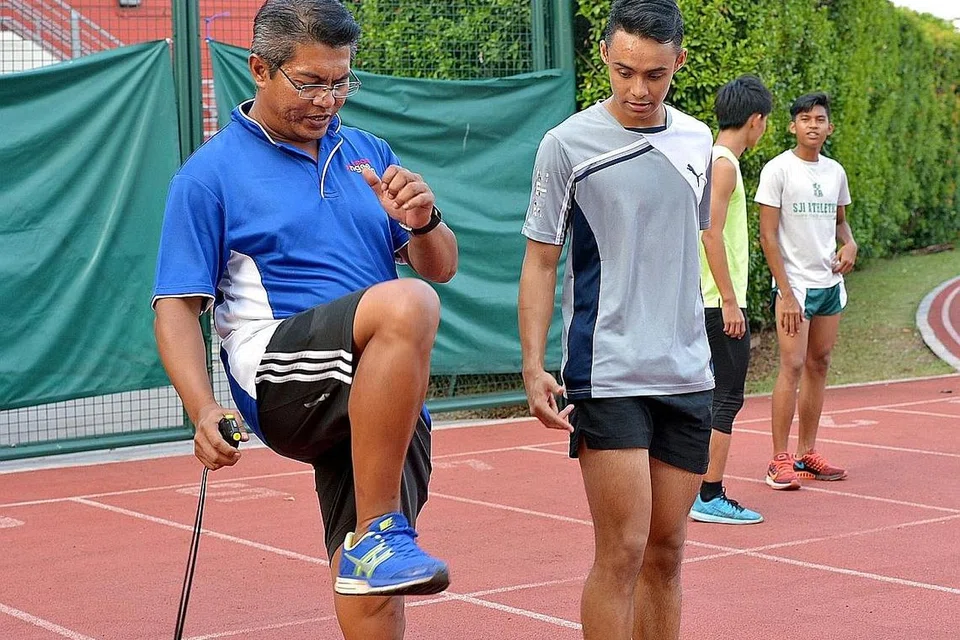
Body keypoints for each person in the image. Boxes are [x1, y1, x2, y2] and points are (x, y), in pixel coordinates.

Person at [152, 1, 458, 638]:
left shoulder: (368, 152)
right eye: (311, 82)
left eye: (341, 82)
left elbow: (441, 267)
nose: (328, 99)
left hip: (381, 383)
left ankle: (374, 542)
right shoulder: (208, 176)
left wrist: (425, 220)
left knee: (372, 576)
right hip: (282, 375)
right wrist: (202, 407)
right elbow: (177, 305)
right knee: (409, 305)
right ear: (260, 69)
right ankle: (379, 533)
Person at [518, 1, 714, 638]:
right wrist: (531, 363)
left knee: (668, 552)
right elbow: (542, 261)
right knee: (624, 550)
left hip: (688, 372)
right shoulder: (565, 145)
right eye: (626, 71)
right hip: (609, 372)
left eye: (655, 75)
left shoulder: (698, 140)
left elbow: (690, 243)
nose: (638, 89)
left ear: (678, 63)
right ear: (605, 55)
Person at [755, 91, 856, 490]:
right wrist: (787, 292)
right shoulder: (778, 170)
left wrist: (851, 245)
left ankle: (807, 452)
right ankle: (778, 460)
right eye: (804, 118)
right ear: (792, 126)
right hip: (794, 286)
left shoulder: (835, 172)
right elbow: (767, 236)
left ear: (830, 127)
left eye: (819, 119)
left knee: (820, 363)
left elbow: (841, 223)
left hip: (829, 284)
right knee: (792, 365)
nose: (812, 125)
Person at [689, 75, 772, 525]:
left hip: (701, 299)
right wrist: (729, 300)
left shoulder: (705, 157)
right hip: (714, 301)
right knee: (727, 396)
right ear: (756, 121)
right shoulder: (724, 164)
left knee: (704, 396)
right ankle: (709, 493)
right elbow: (710, 233)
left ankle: (690, 488)